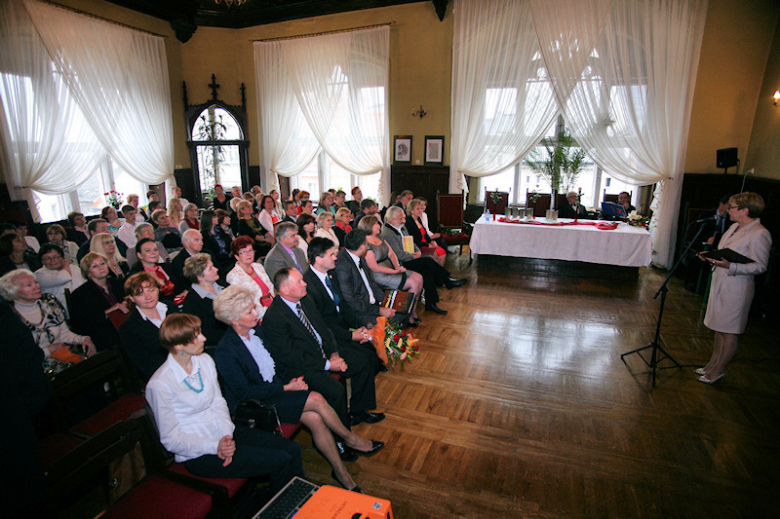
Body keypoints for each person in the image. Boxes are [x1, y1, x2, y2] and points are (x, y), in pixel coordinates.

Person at [213, 286, 383, 489]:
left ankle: (341, 473)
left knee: (315, 418)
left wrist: (293, 380)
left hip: (277, 389)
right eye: (249, 311)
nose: (256, 313)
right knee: (317, 399)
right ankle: (350, 439)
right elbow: (244, 393)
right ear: (234, 320)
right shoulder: (225, 351)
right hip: (258, 403)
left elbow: (278, 363)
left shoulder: (257, 331)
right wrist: (287, 388)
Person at [146, 314, 304, 494]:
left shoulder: (204, 361)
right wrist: (215, 446)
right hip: (198, 452)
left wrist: (226, 435)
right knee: (281, 460)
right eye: (196, 336)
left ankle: (302, 503)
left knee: (293, 449)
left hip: (225, 433)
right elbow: (171, 439)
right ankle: (284, 509)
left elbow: (218, 402)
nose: (204, 338)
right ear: (178, 346)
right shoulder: (160, 384)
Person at [262, 267, 385, 429]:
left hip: (324, 352)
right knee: (335, 391)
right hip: (305, 365)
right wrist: (327, 364)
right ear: (284, 289)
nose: (305, 284)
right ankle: (340, 438)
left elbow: (324, 330)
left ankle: (358, 412)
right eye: (299, 281)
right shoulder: (274, 318)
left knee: (362, 362)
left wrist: (334, 354)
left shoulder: (304, 300)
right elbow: (292, 357)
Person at [697, 192, 772, 384]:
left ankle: (719, 370)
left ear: (745, 210)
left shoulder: (759, 233)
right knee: (719, 328)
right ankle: (712, 363)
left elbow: (760, 266)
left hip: (737, 288)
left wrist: (730, 266)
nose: (728, 210)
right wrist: (712, 256)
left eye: (732, 207)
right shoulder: (734, 227)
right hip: (721, 283)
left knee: (729, 330)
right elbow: (728, 253)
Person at [303, 238, 386, 371]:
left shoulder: (331, 275)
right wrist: (351, 336)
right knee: (364, 361)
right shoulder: (308, 286)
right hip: (330, 338)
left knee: (373, 350)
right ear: (319, 259)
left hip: (342, 328)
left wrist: (361, 326)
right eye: (331, 255)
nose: (335, 258)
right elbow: (321, 324)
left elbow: (343, 306)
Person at [382, 206, 466, 315]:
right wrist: (414, 256)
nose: (404, 221)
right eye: (400, 219)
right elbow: (398, 254)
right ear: (391, 220)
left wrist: (418, 252)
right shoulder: (388, 233)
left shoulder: (401, 227)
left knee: (427, 272)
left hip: (410, 257)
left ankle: (431, 303)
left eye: (404, 218)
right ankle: (447, 280)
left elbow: (411, 242)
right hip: (400, 263)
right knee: (428, 262)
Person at [0, 269, 95, 359]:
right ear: (13, 291)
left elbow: (64, 335)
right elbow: (16, 355)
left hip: (63, 360)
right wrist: (49, 350)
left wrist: (84, 339)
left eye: (36, 282)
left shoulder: (50, 305)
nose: (36, 286)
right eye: (29, 285)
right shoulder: (9, 318)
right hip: (33, 368)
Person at [358, 215, 422, 324]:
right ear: (369, 226)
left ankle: (412, 310)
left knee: (419, 277)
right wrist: (395, 271)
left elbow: (391, 253)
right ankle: (408, 315)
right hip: (379, 275)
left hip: (391, 269)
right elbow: (374, 267)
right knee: (414, 283)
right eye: (376, 223)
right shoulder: (366, 244)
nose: (379, 225)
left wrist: (397, 266)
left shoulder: (380, 237)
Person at [334, 230, 405, 328]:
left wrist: (384, 302)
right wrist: (379, 310)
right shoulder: (343, 266)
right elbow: (351, 300)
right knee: (393, 321)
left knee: (402, 312)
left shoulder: (358, 254)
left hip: (371, 302)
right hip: (359, 311)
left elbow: (371, 282)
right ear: (362, 247)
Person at [119, 272, 178, 382]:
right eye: (140, 294)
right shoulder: (128, 328)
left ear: (158, 289)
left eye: (151, 290)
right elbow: (146, 365)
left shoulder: (170, 307)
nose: (148, 297)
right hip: (163, 378)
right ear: (131, 298)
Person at [69, 252, 128, 351]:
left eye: (102, 263)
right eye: (95, 266)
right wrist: (108, 312)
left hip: (126, 326)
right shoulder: (80, 294)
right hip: (104, 334)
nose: (101, 267)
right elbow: (80, 325)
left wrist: (128, 303)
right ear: (88, 273)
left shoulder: (118, 283)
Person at [182, 253, 228, 351]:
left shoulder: (222, 285)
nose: (216, 269)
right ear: (200, 277)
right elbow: (208, 333)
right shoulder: (192, 302)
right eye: (211, 268)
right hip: (220, 345)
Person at [226, 236, 275, 319]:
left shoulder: (258, 266)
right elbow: (244, 303)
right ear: (237, 256)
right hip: (256, 314)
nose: (248, 254)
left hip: (272, 305)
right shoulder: (233, 276)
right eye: (243, 252)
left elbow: (270, 288)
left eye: (250, 250)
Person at [35, 244, 85, 315]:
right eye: (47, 258)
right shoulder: (39, 274)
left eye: (56, 257)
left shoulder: (75, 269)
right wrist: (66, 266)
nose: (52, 261)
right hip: (59, 313)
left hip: (82, 308)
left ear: (62, 257)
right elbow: (64, 277)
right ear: (42, 261)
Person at [169, 229, 214, 294]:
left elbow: (219, 272)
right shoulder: (178, 261)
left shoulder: (208, 253)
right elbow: (184, 284)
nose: (201, 243)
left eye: (201, 240)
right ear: (186, 243)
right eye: (196, 240)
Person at [406, 199, 447, 267]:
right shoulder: (409, 223)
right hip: (419, 246)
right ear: (411, 210)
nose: (420, 211)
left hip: (426, 243)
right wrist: (428, 245)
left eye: (420, 208)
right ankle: (437, 275)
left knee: (442, 252)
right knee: (436, 256)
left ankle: (440, 275)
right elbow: (414, 240)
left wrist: (431, 241)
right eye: (418, 209)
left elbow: (425, 234)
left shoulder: (418, 219)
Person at [200, 209, 234, 274]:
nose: (217, 218)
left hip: (228, 258)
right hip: (217, 262)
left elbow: (229, 242)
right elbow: (210, 251)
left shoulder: (220, 230)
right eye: (214, 217)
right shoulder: (204, 235)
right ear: (209, 218)